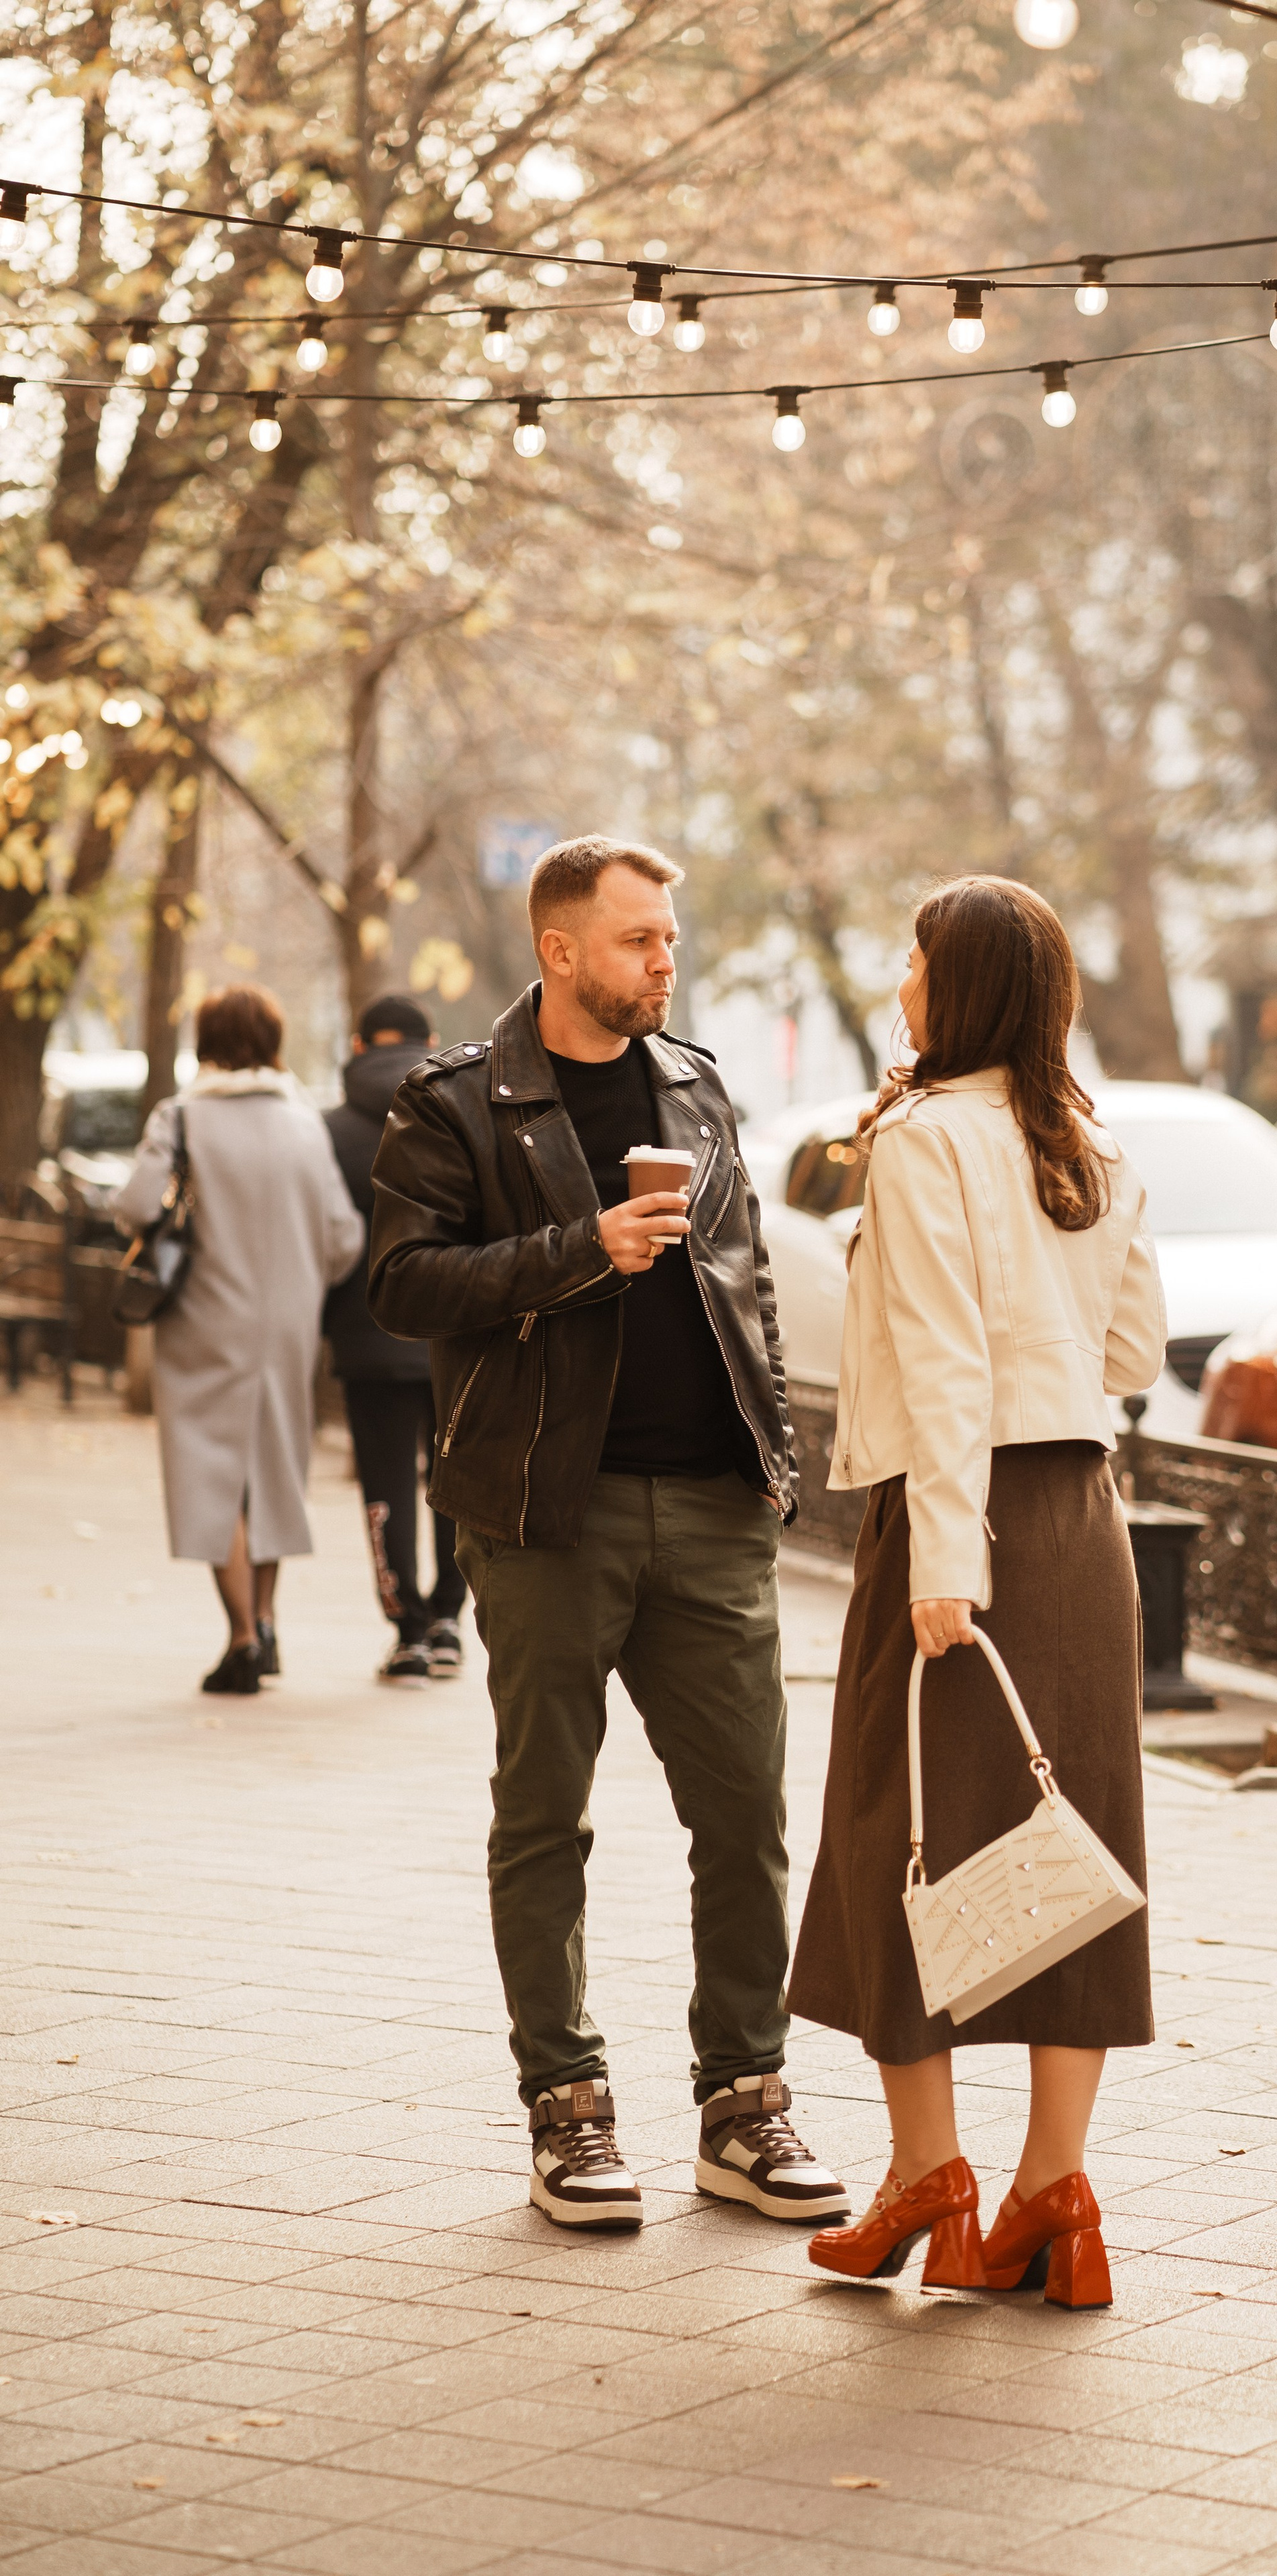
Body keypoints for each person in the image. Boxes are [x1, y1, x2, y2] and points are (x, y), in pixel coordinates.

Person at [368, 834, 850, 2233]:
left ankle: (743, 2103)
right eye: (639, 939)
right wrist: (583, 1251)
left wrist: (769, 1463)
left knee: (747, 1816)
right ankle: (565, 2112)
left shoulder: (695, 1084)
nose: (664, 960)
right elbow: (402, 1286)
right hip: (542, 1511)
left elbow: (746, 1274)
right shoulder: (452, 1103)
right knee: (544, 1818)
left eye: (669, 939)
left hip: (710, 1506)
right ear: (560, 950)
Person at [788, 875, 1166, 2308]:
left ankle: (923, 2179)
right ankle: (1047, 2196)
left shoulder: (922, 1140)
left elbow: (943, 1359)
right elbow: (1130, 1347)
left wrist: (944, 1558)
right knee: (1069, 1854)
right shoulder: (1090, 1142)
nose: (898, 980)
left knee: (906, 1838)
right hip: (1080, 1519)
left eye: (914, 959)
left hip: (960, 1525)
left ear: (961, 987)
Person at [116, 983, 366, 1695]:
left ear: (207, 1041)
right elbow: (344, 1238)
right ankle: (267, 1622)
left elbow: (135, 1203)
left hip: (202, 1318)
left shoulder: (182, 1116)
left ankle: (241, 1638)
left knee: (209, 1469)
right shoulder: (302, 1123)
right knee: (272, 1468)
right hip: (287, 1324)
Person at [324, 994, 467, 1687]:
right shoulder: (462, 1114)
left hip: (366, 1336)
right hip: (455, 1330)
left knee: (384, 1487)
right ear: (430, 1040)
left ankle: (406, 1628)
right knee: (453, 1481)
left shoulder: (328, 1131)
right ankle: (449, 1620)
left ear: (357, 1047)